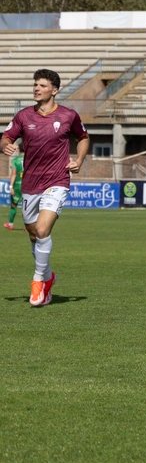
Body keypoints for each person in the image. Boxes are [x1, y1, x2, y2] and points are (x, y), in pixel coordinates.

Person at [1, 69, 89, 306]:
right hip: (30, 183)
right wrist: (5, 145)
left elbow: (83, 137)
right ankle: (48, 277)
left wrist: (78, 160)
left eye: (41, 85)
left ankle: (38, 279)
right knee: (33, 234)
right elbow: (6, 137)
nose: (36, 88)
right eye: (35, 85)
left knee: (42, 230)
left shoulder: (69, 116)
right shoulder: (23, 117)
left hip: (57, 181)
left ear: (54, 90)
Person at [5, 141, 23, 230]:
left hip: (17, 186)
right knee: (28, 206)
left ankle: (10, 224)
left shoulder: (15, 160)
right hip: (28, 185)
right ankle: (30, 226)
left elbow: (14, 174)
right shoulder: (26, 159)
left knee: (13, 205)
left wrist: (11, 186)